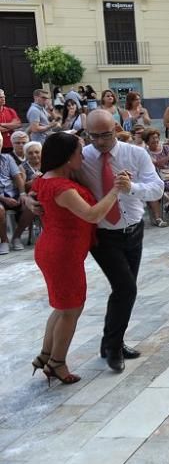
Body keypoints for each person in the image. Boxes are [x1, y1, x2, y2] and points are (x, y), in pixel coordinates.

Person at [29, 133, 131, 384]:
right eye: (79, 151)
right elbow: (93, 215)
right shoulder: (61, 187)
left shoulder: (48, 179)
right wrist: (116, 190)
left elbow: (34, 191)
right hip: (62, 253)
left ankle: (46, 355)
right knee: (71, 310)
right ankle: (57, 363)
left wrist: (27, 198)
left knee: (62, 307)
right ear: (67, 156)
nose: (83, 155)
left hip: (55, 249)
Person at [75, 110, 164, 372]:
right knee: (126, 289)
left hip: (133, 230)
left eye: (105, 135)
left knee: (123, 289)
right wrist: (33, 199)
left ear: (115, 128)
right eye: (94, 136)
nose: (100, 141)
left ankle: (111, 341)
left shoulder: (135, 153)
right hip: (102, 234)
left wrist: (132, 188)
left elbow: (157, 188)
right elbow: (54, 175)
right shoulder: (83, 157)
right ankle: (113, 349)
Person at [0, 88, 21, 154]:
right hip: (1, 146)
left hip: (11, 144)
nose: (3, 99)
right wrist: (12, 125)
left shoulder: (10, 110)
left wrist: (2, 124)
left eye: (4, 97)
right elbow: (1, 130)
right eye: (0, 97)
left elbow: (18, 124)